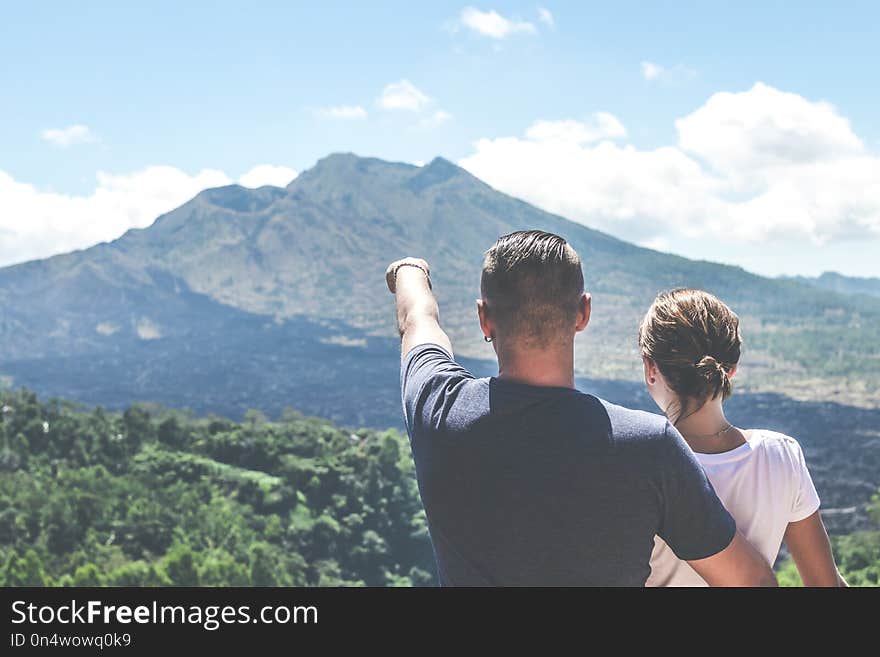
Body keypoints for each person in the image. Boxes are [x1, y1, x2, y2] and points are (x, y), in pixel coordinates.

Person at [385, 230, 776, 586]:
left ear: (484, 318)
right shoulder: (647, 446)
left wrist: (409, 270)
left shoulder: (439, 410)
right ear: (583, 313)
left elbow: (417, 320)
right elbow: (751, 582)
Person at [639, 288, 846, 587]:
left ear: (650, 368)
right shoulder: (781, 455)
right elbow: (827, 584)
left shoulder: (640, 462)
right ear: (731, 369)